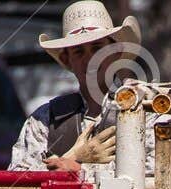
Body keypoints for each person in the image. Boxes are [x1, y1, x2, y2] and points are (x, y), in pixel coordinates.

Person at [9, 2, 153, 177]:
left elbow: (154, 172)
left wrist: (79, 171)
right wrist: (74, 157)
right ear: (67, 60)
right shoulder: (45, 120)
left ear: (116, 52)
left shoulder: (146, 106)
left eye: (97, 48)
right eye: (79, 52)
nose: (90, 59)